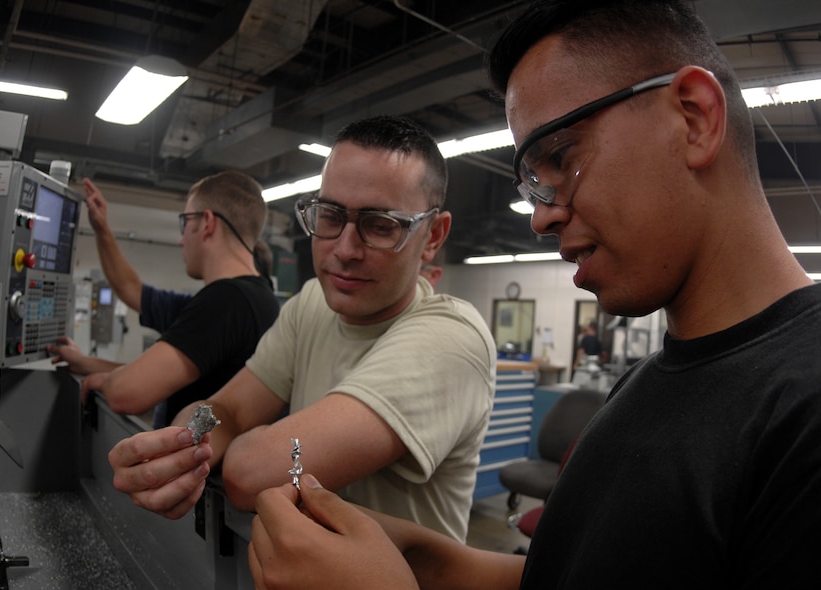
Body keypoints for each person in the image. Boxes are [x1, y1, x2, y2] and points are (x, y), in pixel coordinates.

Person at [247, 1, 821, 588]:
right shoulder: (643, 388)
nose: (540, 218)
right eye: (532, 180)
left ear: (693, 119)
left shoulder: (803, 409)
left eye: (562, 158)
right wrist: (422, 558)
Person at [107, 115, 496, 541]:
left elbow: (249, 474)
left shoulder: (451, 339)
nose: (345, 250)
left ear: (434, 235)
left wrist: (244, 447)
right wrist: (187, 444)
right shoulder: (312, 303)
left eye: (381, 225)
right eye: (330, 215)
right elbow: (227, 409)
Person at [47, 173, 280, 428]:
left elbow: (128, 391)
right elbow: (131, 290)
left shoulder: (226, 302)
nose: (181, 239)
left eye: (185, 221)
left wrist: (104, 380)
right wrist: (102, 228)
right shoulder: (257, 297)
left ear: (208, 223)